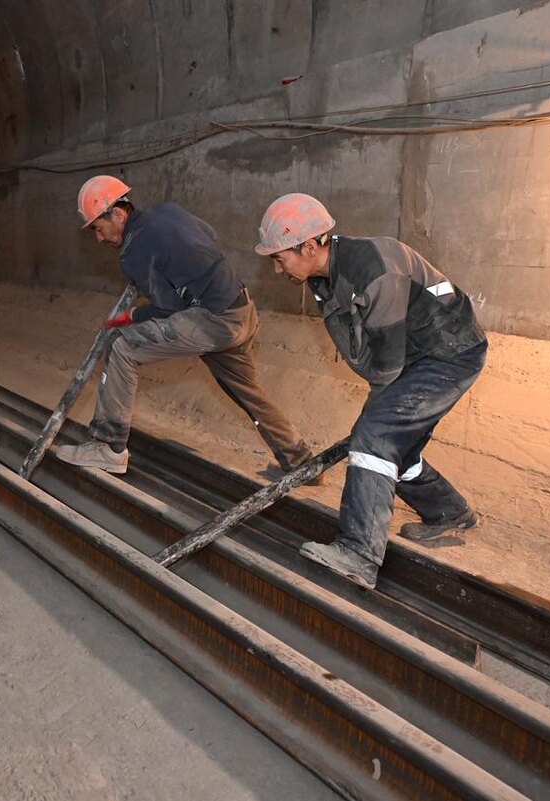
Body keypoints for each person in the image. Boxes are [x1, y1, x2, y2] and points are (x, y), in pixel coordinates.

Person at [254, 193, 487, 589]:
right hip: (419, 353)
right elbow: (368, 353)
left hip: (450, 352)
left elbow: (388, 367)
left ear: (309, 247)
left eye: (279, 258)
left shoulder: (375, 271)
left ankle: (359, 554)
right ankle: (448, 512)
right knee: (393, 441)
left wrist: (372, 425)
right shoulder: (325, 277)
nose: (277, 269)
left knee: (376, 437)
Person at [57, 175, 315, 478]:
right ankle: (299, 459)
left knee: (122, 347)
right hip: (242, 308)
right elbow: (209, 234)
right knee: (246, 389)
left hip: (213, 320)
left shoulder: (133, 251)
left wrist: (133, 316)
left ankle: (108, 447)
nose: (99, 239)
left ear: (117, 213)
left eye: (98, 229)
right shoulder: (167, 211)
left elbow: (169, 309)